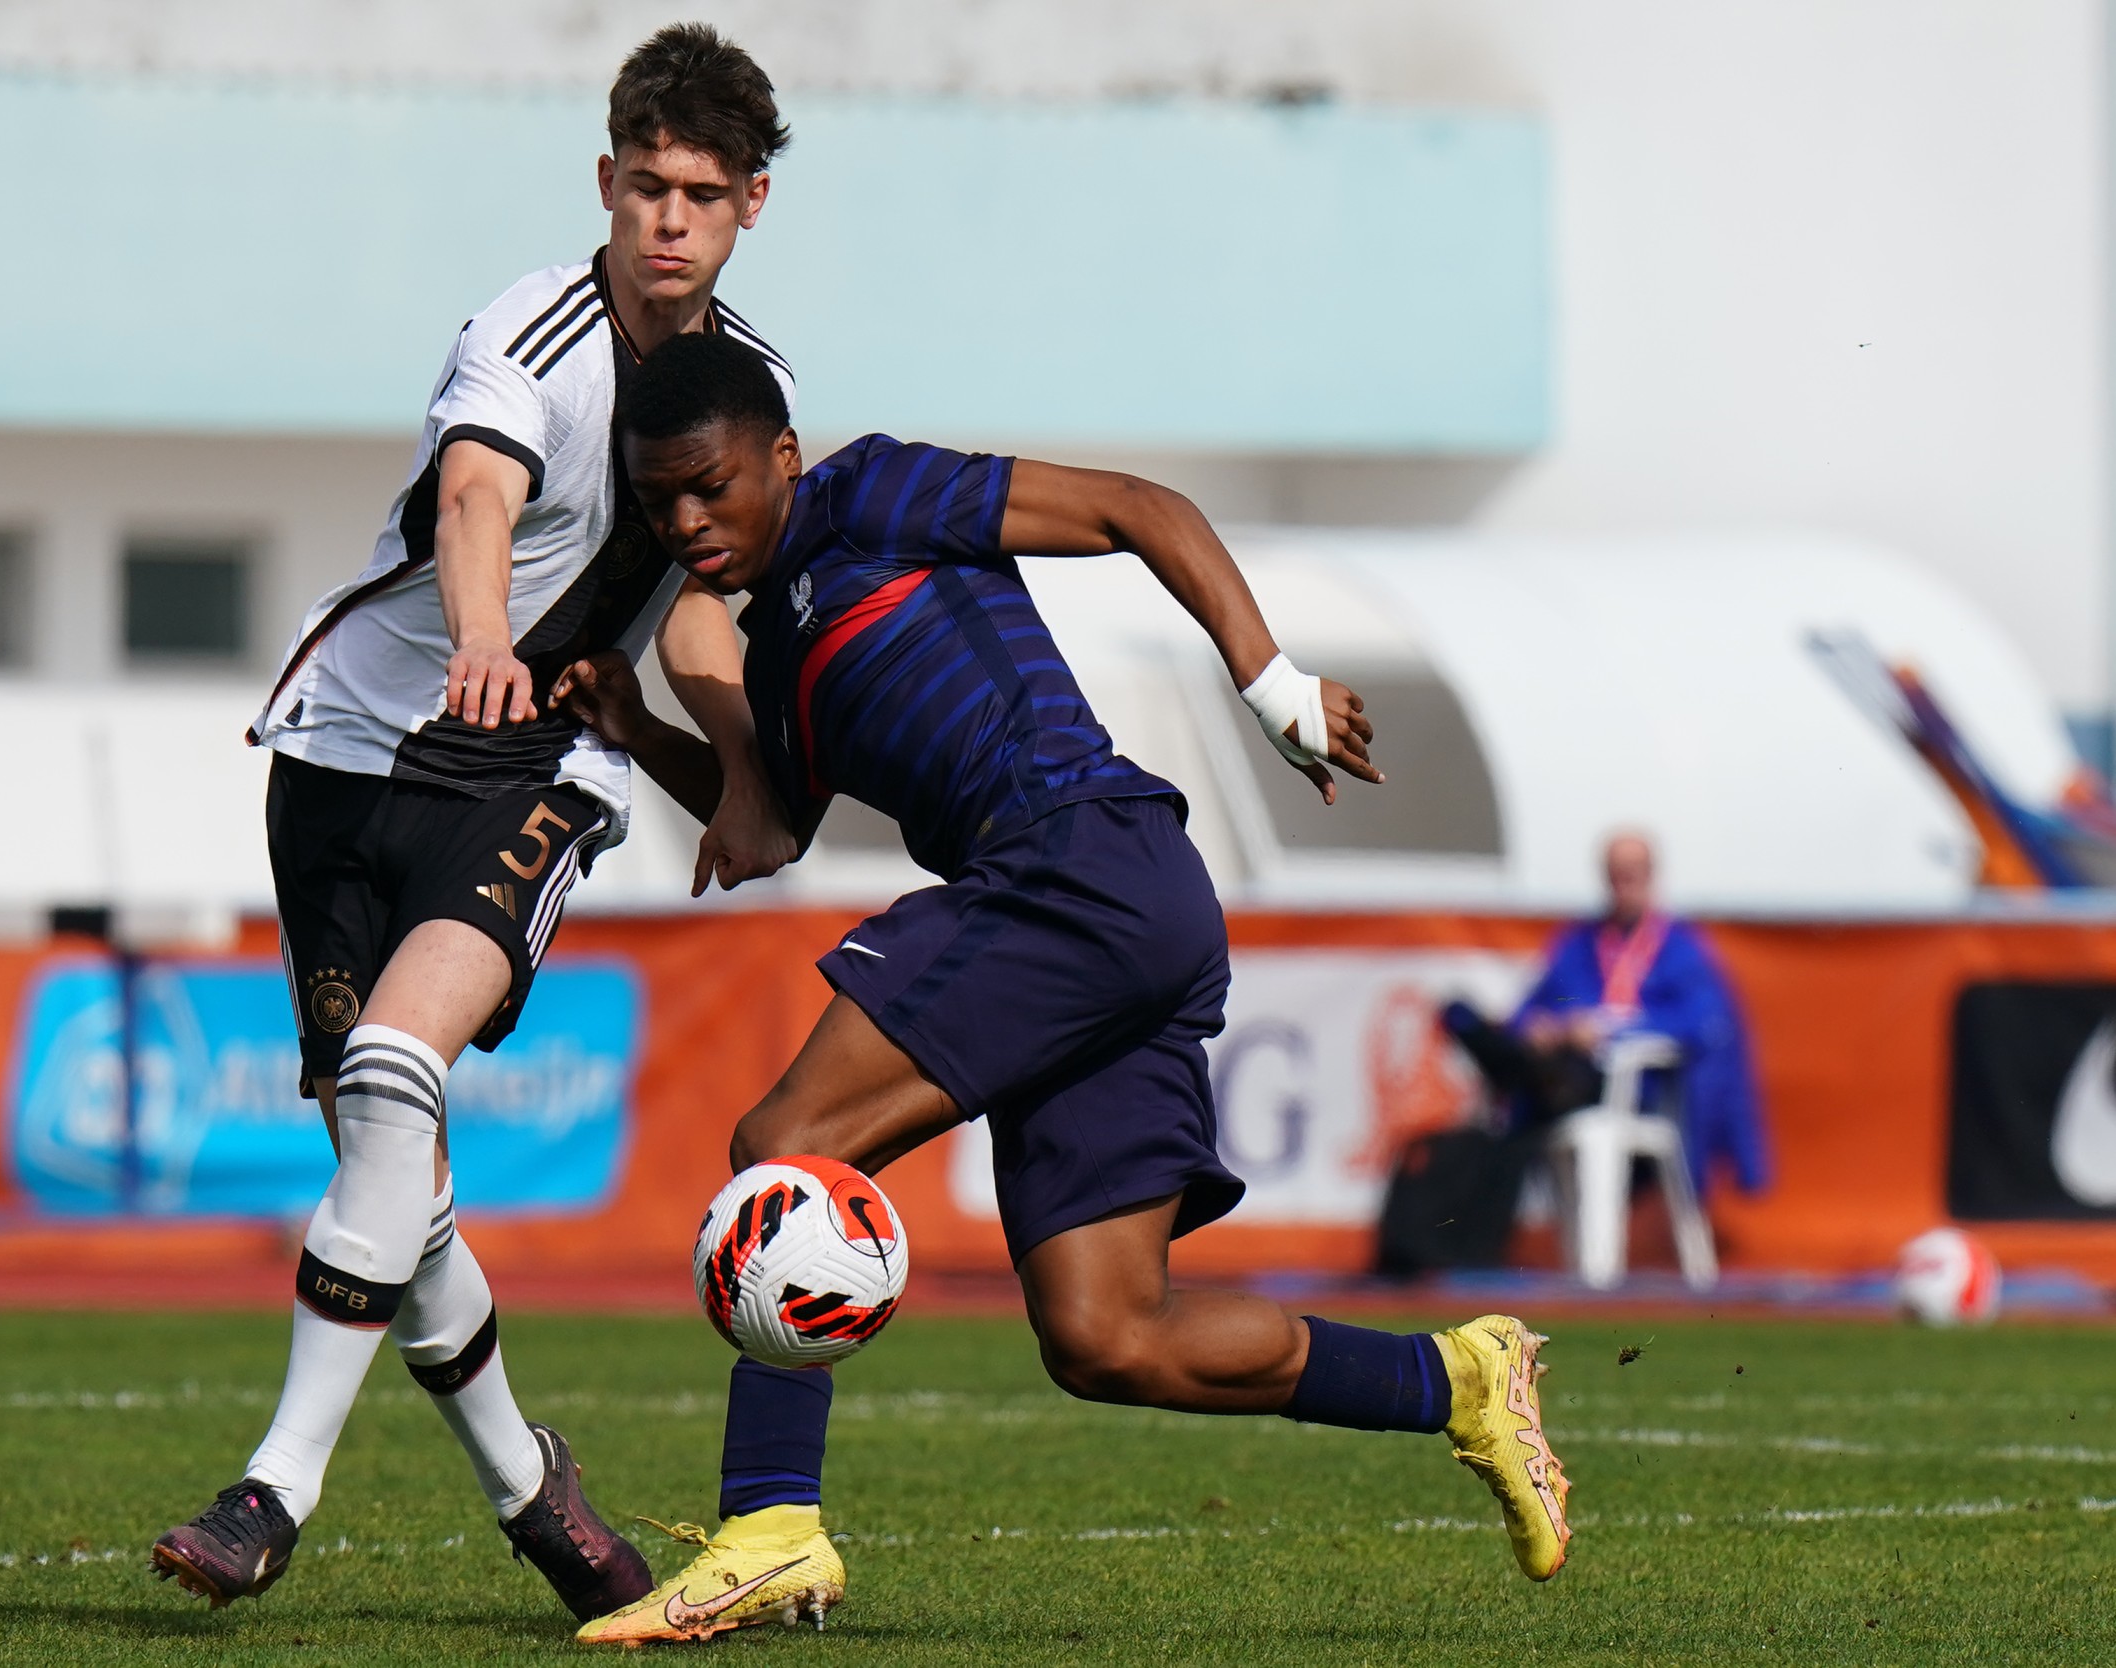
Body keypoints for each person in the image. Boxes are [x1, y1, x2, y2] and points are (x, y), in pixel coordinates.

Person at [550, 333, 1574, 1645]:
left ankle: (768, 1532)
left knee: (782, 1150)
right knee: (1110, 1336)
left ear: (782, 461)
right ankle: (1457, 1380)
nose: (687, 521)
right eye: (659, 503)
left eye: (710, 486)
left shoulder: (871, 496)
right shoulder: (774, 660)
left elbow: (1140, 509)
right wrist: (639, 731)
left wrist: (1271, 690)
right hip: (1112, 911)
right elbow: (768, 834)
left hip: (1072, 867)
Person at [148, 27, 801, 1622]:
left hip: (534, 769)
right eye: (644, 183)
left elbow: (706, 615)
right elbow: (474, 498)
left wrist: (733, 764)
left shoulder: (752, 391)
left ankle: (270, 1490)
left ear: (748, 209)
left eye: (699, 195)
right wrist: (479, 638)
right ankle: (533, 1488)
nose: (665, 219)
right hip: (349, 744)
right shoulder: (533, 325)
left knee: (392, 1072)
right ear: (603, 179)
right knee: (393, 1156)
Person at [1442, 831, 1769, 1192]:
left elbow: (1705, 1023)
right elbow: (1533, 1006)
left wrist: (1612, 1031)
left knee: (1539, 1073)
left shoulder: (1681, 948)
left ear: (1651, 875)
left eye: (1634, 873)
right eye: (1616, 874)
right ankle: (1505, 1057)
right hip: (1562, 1070)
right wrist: (1541, 1027)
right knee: (1464, 1016)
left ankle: (1514, 1067)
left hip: (1632, 1089)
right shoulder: (1579, 943)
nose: (1624, 885)